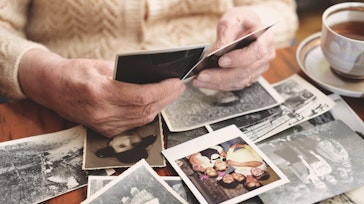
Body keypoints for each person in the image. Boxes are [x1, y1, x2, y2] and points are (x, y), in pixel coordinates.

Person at [0, 1, 298, 138]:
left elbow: (281, 7)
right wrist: (48, 78)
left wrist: (257, 20)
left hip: (219, 92)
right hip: (61, 109)